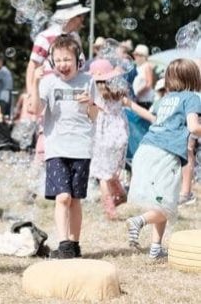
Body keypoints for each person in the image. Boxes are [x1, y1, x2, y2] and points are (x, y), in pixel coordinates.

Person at [124, 59, 201, 260]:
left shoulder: (167, 98)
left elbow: (154, 119)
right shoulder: (192, 97)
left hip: (147, 148)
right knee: (169, 206)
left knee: (162, 200)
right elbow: (193, 127)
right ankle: (138, 221)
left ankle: (156, 249)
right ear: (194, 77)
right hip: (165, 153)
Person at [28, 36, 97, 259]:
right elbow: (37, 111)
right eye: (57, 60)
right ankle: (64, 243)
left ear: (79, 60)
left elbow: (94, 116)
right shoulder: (49, 83)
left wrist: (90, 104)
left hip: (81, 147)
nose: (62, 64)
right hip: (56, 147)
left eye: (67, 59)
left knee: (75, 199)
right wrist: (36, 83)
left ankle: (75, 244)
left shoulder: (88, 81)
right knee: (63, 197)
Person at [87, 59, 128, 220]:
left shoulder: (94, 95)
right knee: (111, 170)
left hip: (102, 137)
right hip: (119, 137)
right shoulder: (118, 93)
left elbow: (90, 116)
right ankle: (121, 195)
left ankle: (109, 209)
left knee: (103, 176)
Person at [25, 0, 90, 97]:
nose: (82, 19)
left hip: (72, 91)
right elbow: (33, 65)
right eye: (80, 15)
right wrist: (30, 94)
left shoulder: (75, 37)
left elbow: (80, 65)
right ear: (70, 17)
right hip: (50, 92)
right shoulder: (45, 37)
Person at [131, 44, 155, 108]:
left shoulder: (147, 66)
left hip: (146, 101)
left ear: (142, 56)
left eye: (136, 55)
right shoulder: (138, 67)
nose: (134, 57)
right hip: (139, 100)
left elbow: (149, 84)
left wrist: (138, 93)